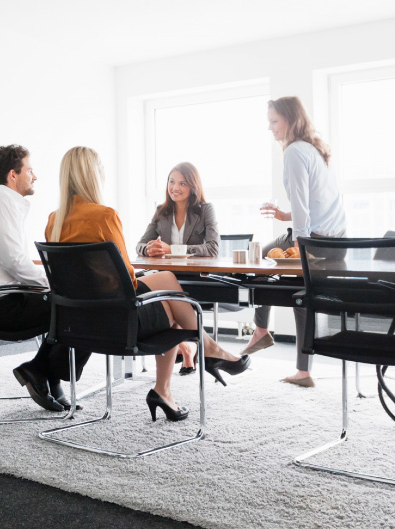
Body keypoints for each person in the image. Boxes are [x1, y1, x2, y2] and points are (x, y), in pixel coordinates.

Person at [45, 146, 249, 422]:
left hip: (80, 321)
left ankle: (175, 380)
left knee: (167, 282)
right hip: (121, 322)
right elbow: (127, 279)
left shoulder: (54, 221)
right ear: (92, 175)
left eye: (182, 183)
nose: (175, 187)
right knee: (172, 305)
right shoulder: (105, 216)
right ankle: (201, 356)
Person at [0, 144, 87, 412]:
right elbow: (14, 262)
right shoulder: (1, 202)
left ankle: (46, 375)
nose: (35, 176)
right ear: (13, 175)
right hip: (5, 306)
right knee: (82, 308)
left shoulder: (5, 203)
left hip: (6, 298)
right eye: (30, 170)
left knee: (70, 302)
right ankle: (39, 370)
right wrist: (55, 283)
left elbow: (15, 261)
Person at [249, 96, 347, 388]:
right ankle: (303, 371)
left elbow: (303, 208)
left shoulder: (293, 151)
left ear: (290, 120)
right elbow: (318, 206)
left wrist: (298, 245)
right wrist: (285, 215)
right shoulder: (313, 149)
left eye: (274, 121)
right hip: (335, 243)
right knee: (300, 295)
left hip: (313, 242)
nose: (269, 127)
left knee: (258, 261)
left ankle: (260, 329)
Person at [134, 162, 219, 375]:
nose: (175, 188)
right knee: (159, 296)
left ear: (193, 186)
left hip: (195, 278)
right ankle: (188, 348)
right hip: (166, 277)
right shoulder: (161, 212)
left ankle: (189, 349)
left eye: (182, 183)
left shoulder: (205, 210)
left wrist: (172, 249)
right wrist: (149, 249)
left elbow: (212, 248)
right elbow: (140, 244)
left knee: (168, 299)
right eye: (171, 182)